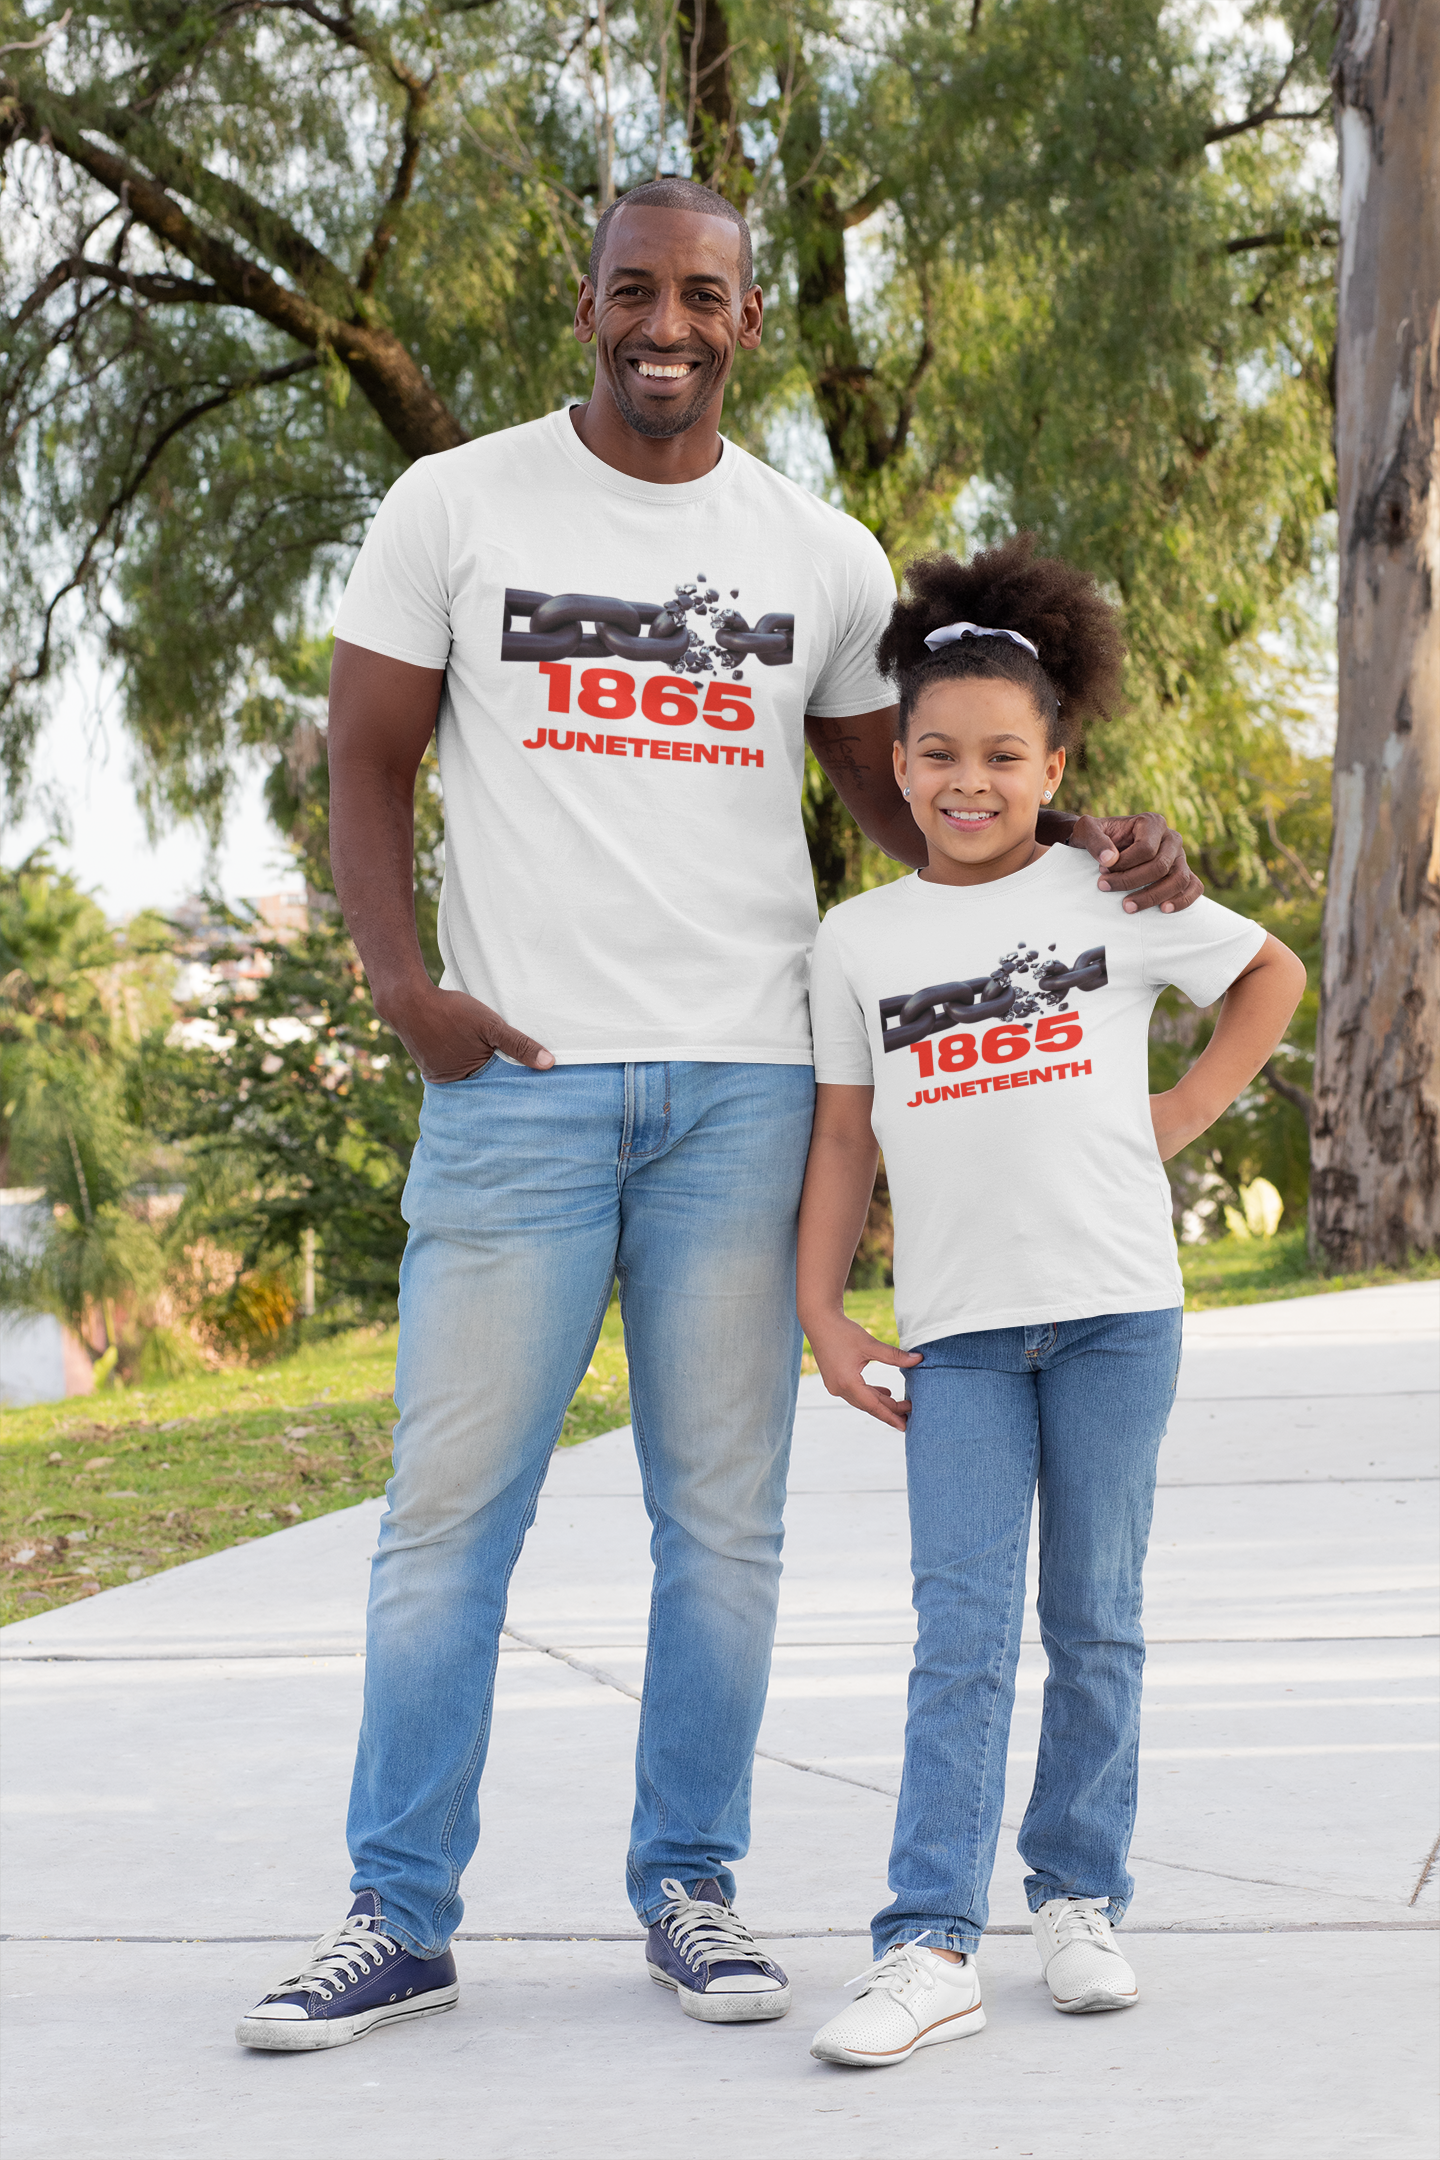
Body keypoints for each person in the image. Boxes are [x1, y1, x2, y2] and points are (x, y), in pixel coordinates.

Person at [235, 181, 1203, 2054]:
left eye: (700, 294)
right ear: (586, 304)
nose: (663, 323)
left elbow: (911, 797)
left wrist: (1090, 849)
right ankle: (397, 1914)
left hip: (747, 1092)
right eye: (632, 290)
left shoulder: (818, 555)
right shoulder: (456, 506)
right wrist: (403, 989)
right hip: (516, 1086)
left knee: (723, 1527)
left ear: (747, 319)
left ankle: (690, 1884)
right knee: (447, 1521)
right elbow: (367, 750)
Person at [797, 539, 1305, 2069]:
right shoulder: (858, 942)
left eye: (1004, 757)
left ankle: (1079, 1898)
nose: (970, 781)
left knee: (1096, 1622)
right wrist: (823, 1314)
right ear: (896, 761)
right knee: (959, 1634)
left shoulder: (1113, 890)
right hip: (957, 1337)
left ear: (1056, 767)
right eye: (940, 754)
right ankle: (928, 1945)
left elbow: (1271, 976)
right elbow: (841, 1137)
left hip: (1113, 1318)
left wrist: (1178, 1112)